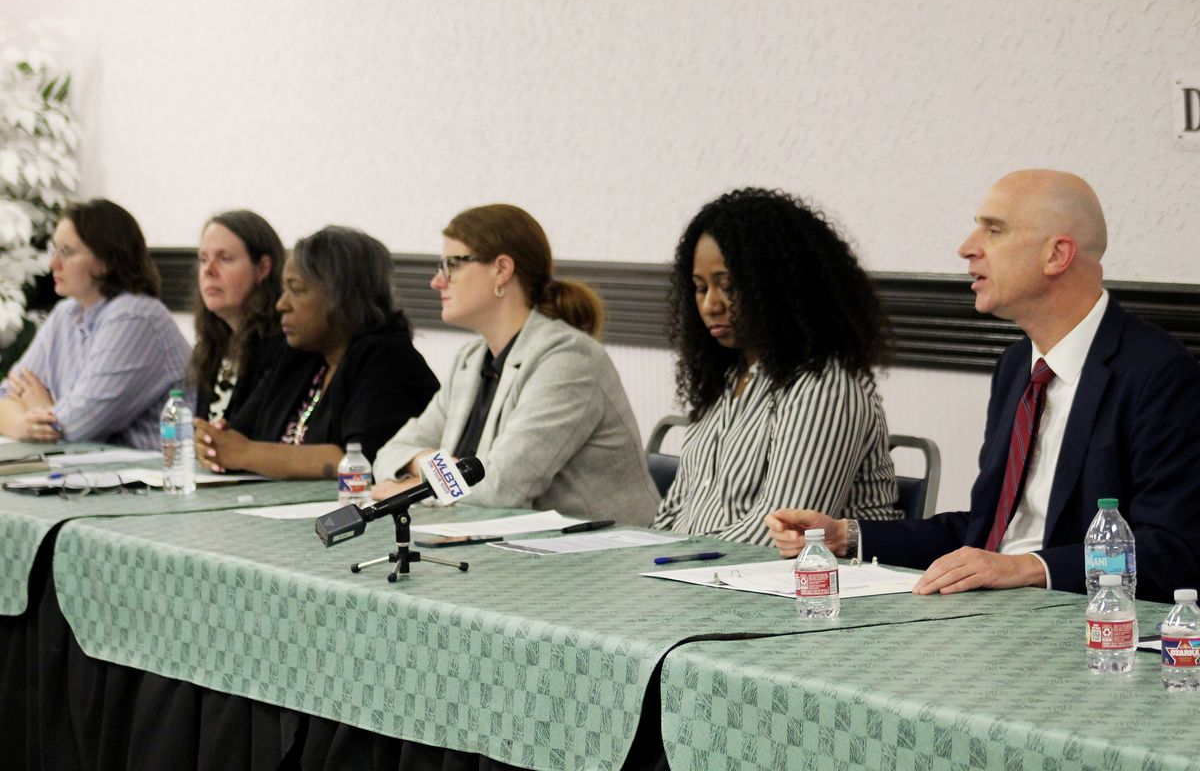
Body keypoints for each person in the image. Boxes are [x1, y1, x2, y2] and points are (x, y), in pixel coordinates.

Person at [766, 169, 1200, 603]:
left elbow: (1173, 552)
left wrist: (1028, 567)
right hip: (990, 612)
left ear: (1056, 255)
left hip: (1087, 625)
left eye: (993, 230)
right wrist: (847, 536)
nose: (967, 248)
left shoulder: (1158, 374)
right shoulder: (1016, 367)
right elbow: (985, 531)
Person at [371, 204, 659, 525]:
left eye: (451, 265)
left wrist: (420, 484)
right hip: (508, 548)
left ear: (501, 270)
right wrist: (433, 466)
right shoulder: (470, 361)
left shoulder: (569, 359)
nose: (437, 281)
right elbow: (389, 453)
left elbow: (499, 490)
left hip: (607, 560)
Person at [650, 188, 902, 546]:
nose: (710, 305)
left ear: (778, 287)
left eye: (729, 286)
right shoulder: (724, 379)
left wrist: (672, 563)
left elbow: (779, 535)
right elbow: (675, 512)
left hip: (795, 591)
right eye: (699, 287)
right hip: (701, 580)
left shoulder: (824, 385)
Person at [194, 226, 438, 478]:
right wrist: (214, 443)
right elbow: (241, 433)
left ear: (342, 298)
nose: (281, 304)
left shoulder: (388, 358)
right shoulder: (300, 352)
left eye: (296, 290)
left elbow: (361, 460)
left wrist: (245, 453)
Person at [0, 199, 190, 450]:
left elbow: (76, 427)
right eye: (53, 249)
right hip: (94, 474)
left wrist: (41, 411)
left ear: (105, 261)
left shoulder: (136, 317)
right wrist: (24, 425)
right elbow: (5, 397)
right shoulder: (65, 313)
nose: (52, 264)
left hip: (159, 478)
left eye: (66, 252)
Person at [189, 210, 286, 425]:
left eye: (225, 258)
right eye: (203, 259)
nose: (209, 270)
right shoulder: (213, 346)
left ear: (262, 269)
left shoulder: (282, 347)